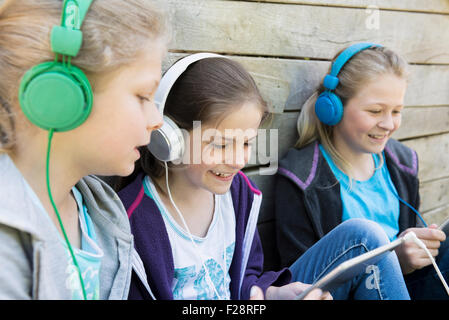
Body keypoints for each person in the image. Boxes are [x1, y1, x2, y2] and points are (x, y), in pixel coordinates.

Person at [116, 53, 409, 300]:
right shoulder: (134, 220)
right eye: (219, 144)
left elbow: (246, 280)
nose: (237, 161)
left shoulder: (238, 193)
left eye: (245, 143)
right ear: (168, 138)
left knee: (364, 235)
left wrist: (271, 294)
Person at [0, 0, 167, 299]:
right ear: (61, 96)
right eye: (143, 96)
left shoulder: (102, 212)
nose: (157, 121)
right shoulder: (6, 252)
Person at [275, 43, 449, 299]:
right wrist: (394, 259)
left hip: (404, 288)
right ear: (332, 107)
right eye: (375, 111)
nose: (388, 124)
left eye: (396, 111)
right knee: (366, 235)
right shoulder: (301, 178)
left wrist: (417, 249)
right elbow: (302, 281)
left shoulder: (402, 162)